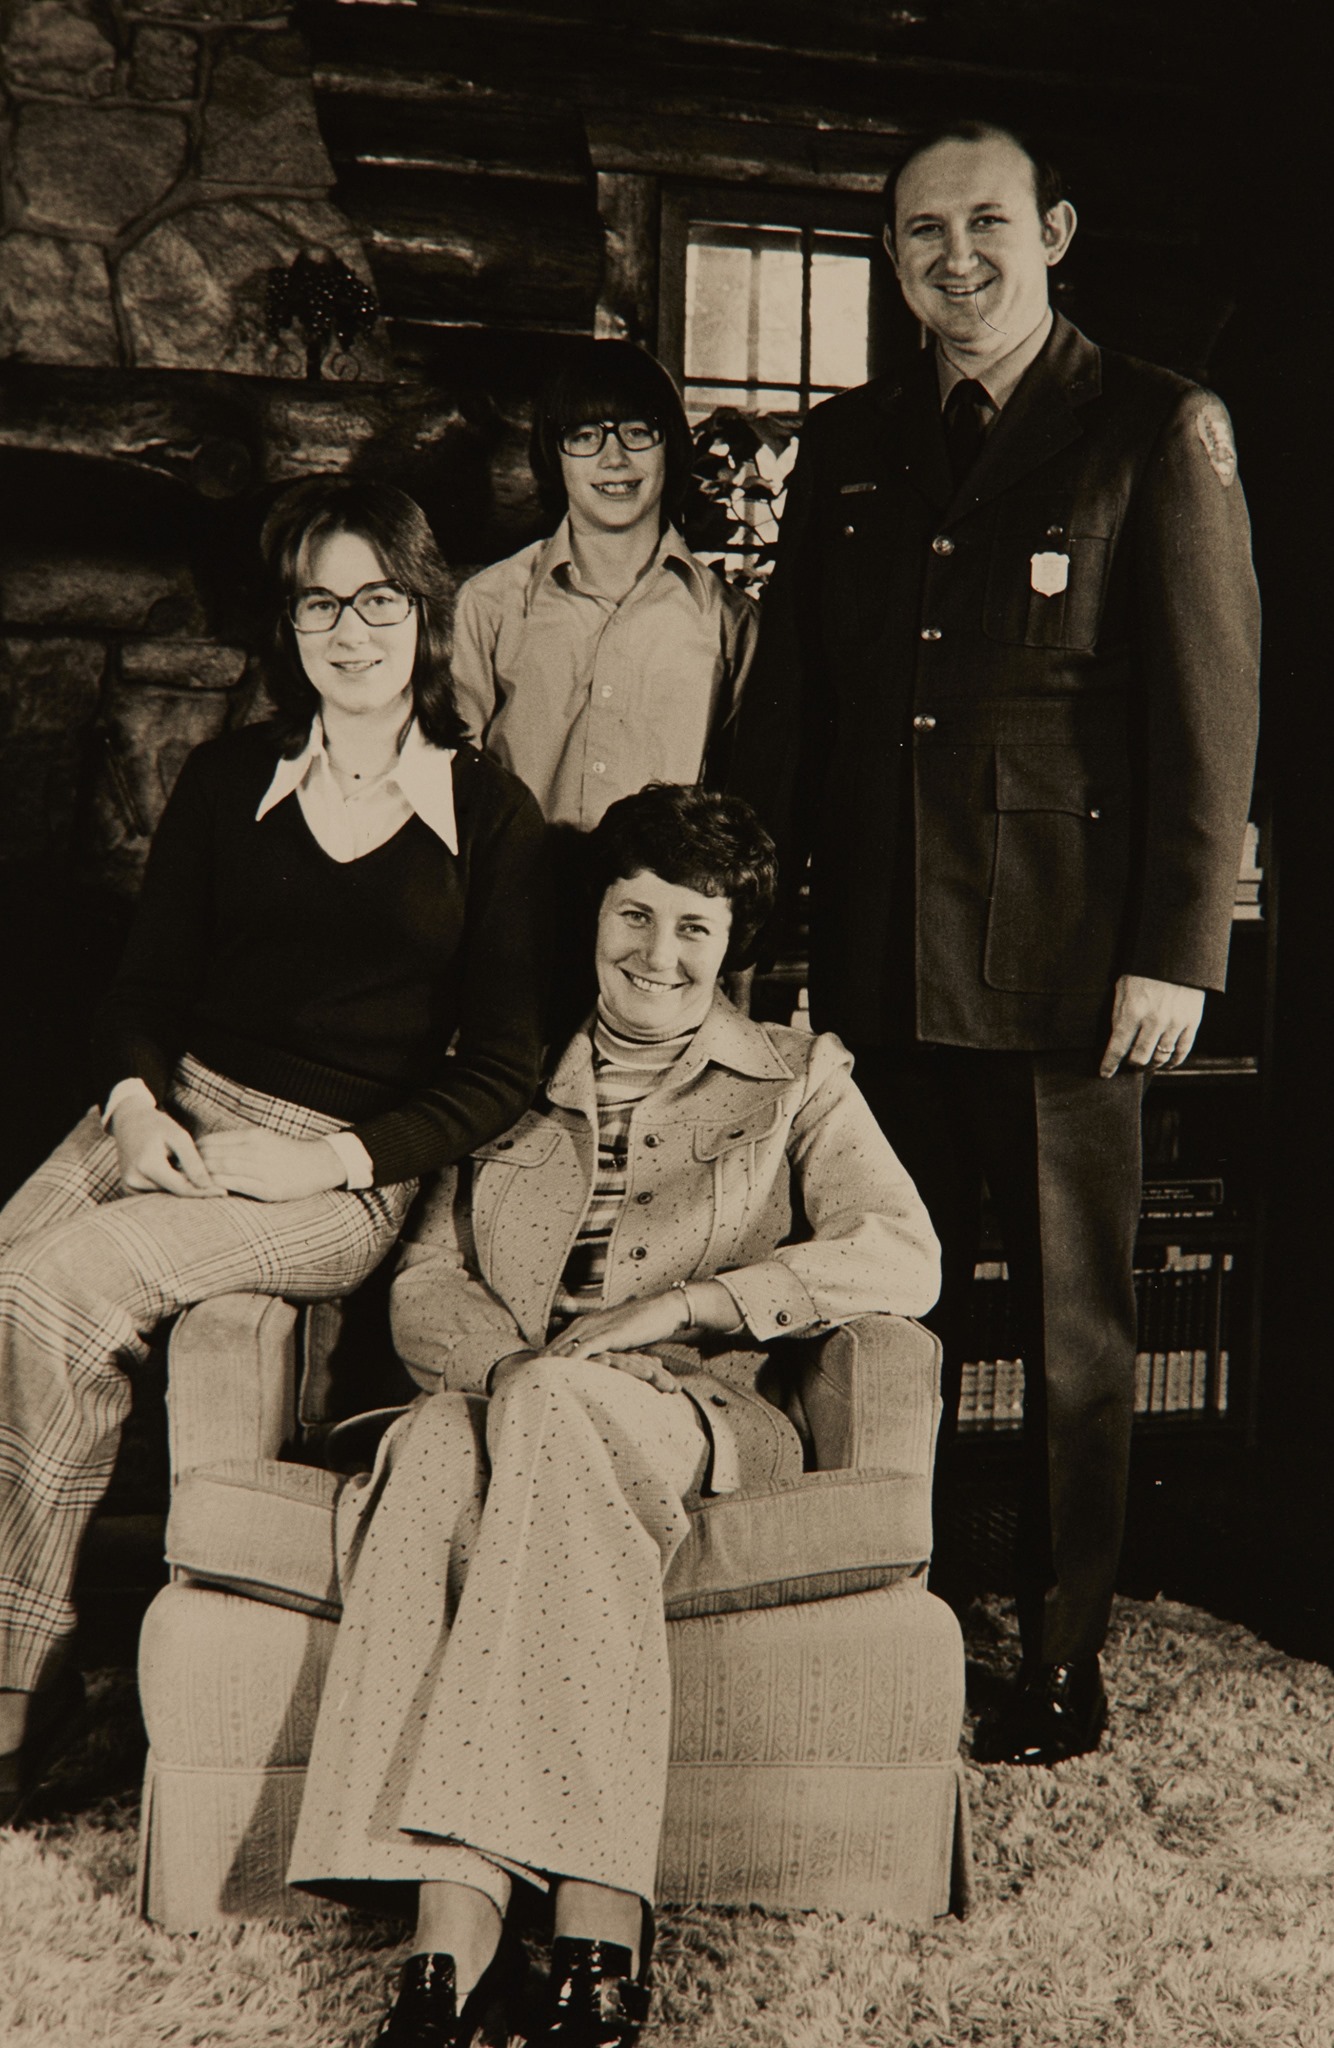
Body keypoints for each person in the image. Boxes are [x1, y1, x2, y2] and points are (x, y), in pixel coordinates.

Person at [728, 120, 1260, 1766]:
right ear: (888, 257)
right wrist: (756, 926)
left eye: (982, 224)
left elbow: (1204, 709)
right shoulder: (850, 444)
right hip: (878, 964)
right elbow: (793, 713)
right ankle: (875, 1596)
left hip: (1058, 972)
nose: (951, 256)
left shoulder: (1153, 428)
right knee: (879, 1302)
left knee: (1068, 1328)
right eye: (915, 233)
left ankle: (1060, 1646)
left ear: (1053, 231)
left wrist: (1172, 954)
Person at [287, 782, 939, 2048]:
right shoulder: (502, 1074)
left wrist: (686, 1306)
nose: (657, 954)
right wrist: (511, 1370)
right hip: (507, 1395)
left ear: (730, 942)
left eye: (692, 928)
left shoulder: (797, 1079)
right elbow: (427, 1277)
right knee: (429, 1442)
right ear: (591, 921)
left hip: (685, 1408)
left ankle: (492, 1936)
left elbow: (899, 1253)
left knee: (535, 1423)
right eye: (634, 916)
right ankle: (531, 1957)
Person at [0, 478, 546, 1824]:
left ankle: (26, 1675)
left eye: (376, 601)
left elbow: (501, 1073)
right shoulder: (229, 776)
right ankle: (44, 1640)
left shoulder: (492, 815)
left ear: (422, 618)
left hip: (332, 1171)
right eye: (319, 603)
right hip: (172, 1107)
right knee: (8, 1264)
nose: (349, 632)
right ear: (288, 626)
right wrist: (135, 1107)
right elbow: (139, 988)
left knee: (47, 1291)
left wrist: (339, 1162)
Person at [449, 337, 757, 832]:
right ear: (555, 453)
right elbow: (451, 781)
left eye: (638, 432)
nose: (614, 458)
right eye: (585, 435)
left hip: (662, 902)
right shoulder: (490, 604)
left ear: (670, 446)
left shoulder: (728, 621)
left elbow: (742, 802)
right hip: (516, 899)